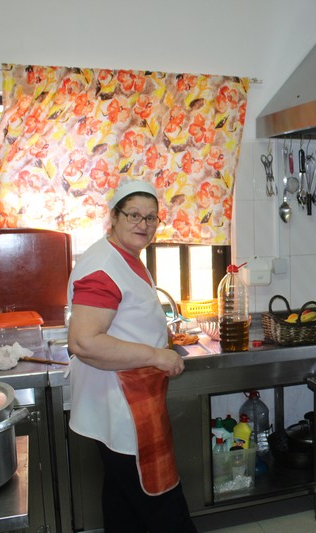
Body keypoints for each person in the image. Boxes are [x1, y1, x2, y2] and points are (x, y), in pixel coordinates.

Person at [67, 179, 197, 532]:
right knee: (163, 503)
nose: (144, 224)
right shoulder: (103, 266)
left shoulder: (124, 256)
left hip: (128, 398)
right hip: (125, 404)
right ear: (113, 217)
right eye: (134, 215)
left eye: (151, 217)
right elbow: (84, 342)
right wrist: (157, 355)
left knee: (123, 505)